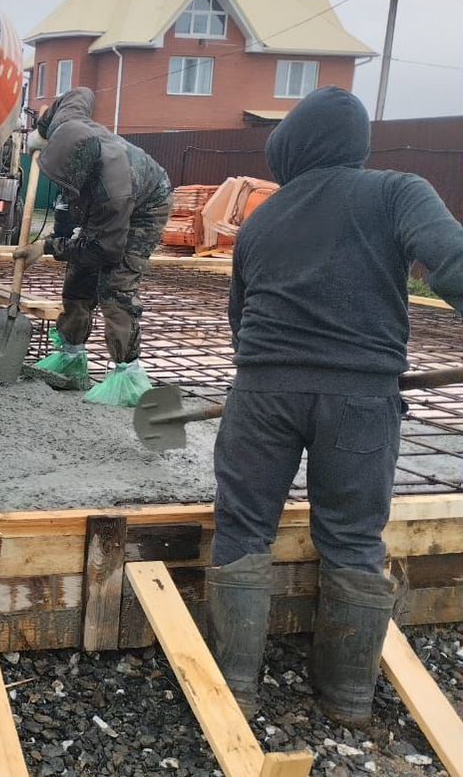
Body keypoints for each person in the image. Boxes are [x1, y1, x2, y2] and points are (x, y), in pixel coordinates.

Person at [205, 86, 463, 725]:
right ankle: (346, 701)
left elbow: (242, 320)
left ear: (290, 148)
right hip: (360, 398)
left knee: (242, 531)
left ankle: (235, 691)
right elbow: (453, 263)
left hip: (261, 394)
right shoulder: (396, 192)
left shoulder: (262, 217)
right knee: (352, 539)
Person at [14, 87, 173, 406]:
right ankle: (72, 357)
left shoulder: (112, 193)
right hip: (105, 197)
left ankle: (128, 375)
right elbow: (80, 94)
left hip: (146, 204)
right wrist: (42, 131)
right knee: (77, 280)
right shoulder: (67, 123)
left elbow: (105, 250)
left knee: (115, 285)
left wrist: (47, 246)